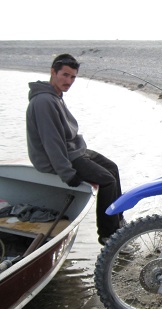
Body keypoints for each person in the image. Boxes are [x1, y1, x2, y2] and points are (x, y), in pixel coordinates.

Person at [26, 53, 124, 246]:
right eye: (65, 75)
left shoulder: (55, 96)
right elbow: (51, 142)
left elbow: (62, 138)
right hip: (59, 159)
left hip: (73, 151)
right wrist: (68, 174)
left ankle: (118, 221)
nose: (69, 81)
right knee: (107, 181)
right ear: (53, 72)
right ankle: (108, 234)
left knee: (112, 168)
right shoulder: (44, 101)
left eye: (73, 77)